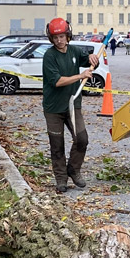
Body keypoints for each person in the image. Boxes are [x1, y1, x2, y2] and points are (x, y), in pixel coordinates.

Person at [42, 18, 100, 193]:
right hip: (54, 108)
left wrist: (93, 58)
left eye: (62, 36)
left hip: (73, 105)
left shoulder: (74, 51)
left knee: (82, 139)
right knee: (57, 145)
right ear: (51, 39)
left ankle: (74, 170)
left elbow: (90, 63)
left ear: (68, 35)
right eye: (56, 37)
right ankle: (61, 179)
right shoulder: (49, 56)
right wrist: (80, 76)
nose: (59, 40)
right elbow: (58, 81)